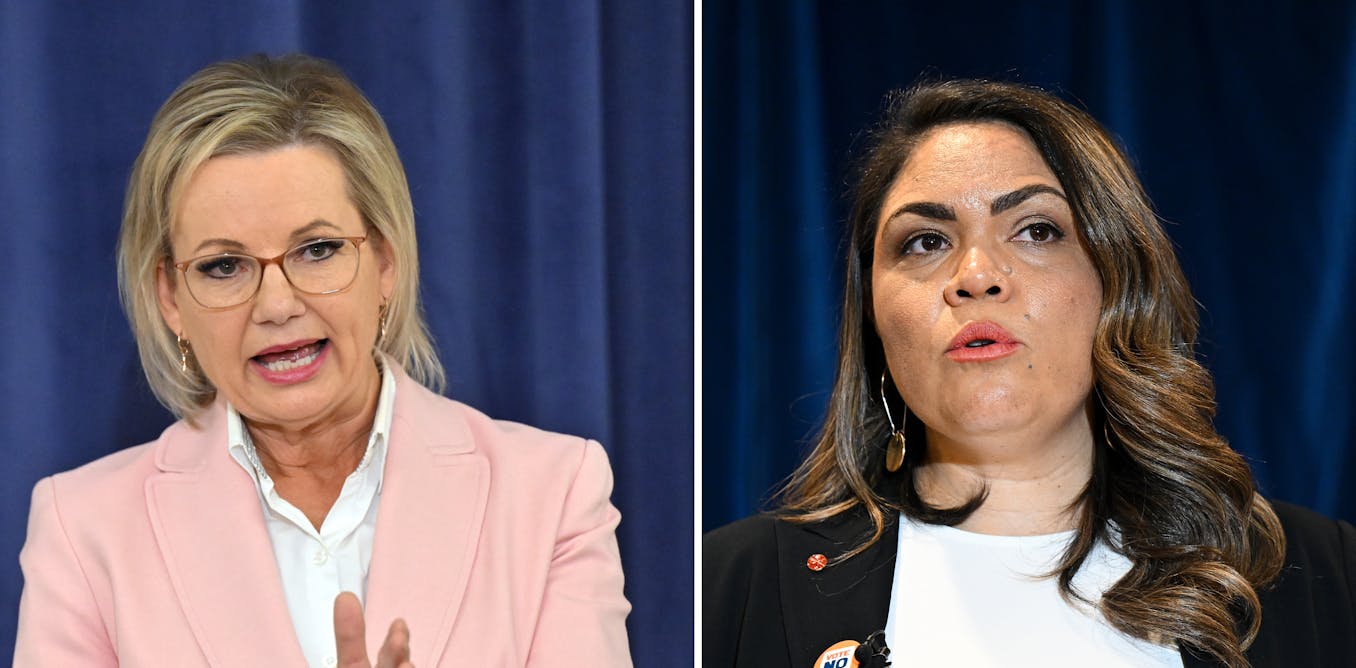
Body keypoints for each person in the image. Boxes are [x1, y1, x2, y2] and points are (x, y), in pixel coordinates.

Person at [703, 80, 1356, 668]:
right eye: (926, 241)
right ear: (873, 316)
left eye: (1036, 230)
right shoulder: (726, 591)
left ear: (1118, 285)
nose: (976, 276)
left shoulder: (1327, 578)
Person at [15, 54, 631, 667]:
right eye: (224, 266)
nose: (277, 305)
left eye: (317, 249)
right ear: (171, 299)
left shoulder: (551, 495)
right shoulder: (82, 532)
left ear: (385, 262)